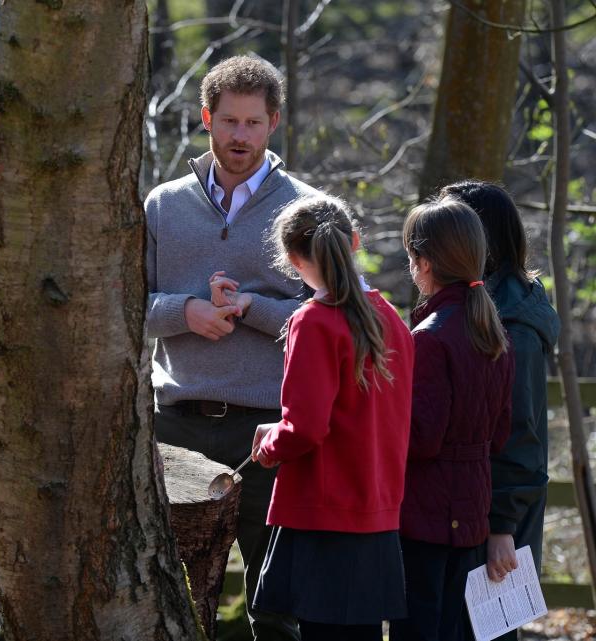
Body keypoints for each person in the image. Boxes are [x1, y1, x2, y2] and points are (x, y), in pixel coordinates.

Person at [144, 54, 319, 640]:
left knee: (276, 609)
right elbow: (121, 309)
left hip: (270, 430)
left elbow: (332, 323)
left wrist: (251, 308)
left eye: (252, 122)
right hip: (177, 427)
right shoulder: (162, 206)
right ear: (206, 120)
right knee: (172, 599)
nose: (239, 135)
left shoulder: (308, 211)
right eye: (228, 121)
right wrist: (185, 312)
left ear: (274, 123)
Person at [249, 196, 414, 641]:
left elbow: (305, 427)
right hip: (376, 510)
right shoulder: (391, 318)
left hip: (323, 516)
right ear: (355, 241)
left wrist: (268, 444)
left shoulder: (314, 321)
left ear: (291, 260)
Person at [390, 200, 515, 641]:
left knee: (418, 630)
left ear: (423, 262)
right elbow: (500, 433)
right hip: (473, 509)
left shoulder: (429, 338)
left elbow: (420, 439)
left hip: (425, 514)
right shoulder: (493, 332)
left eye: (410, 256)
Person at [439, 181, 559, 639]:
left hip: (495, 519)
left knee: (486, 632)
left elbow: (519, 432)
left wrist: (502, 527)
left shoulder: (514, 326)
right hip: (474, 508)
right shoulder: (483, 305)